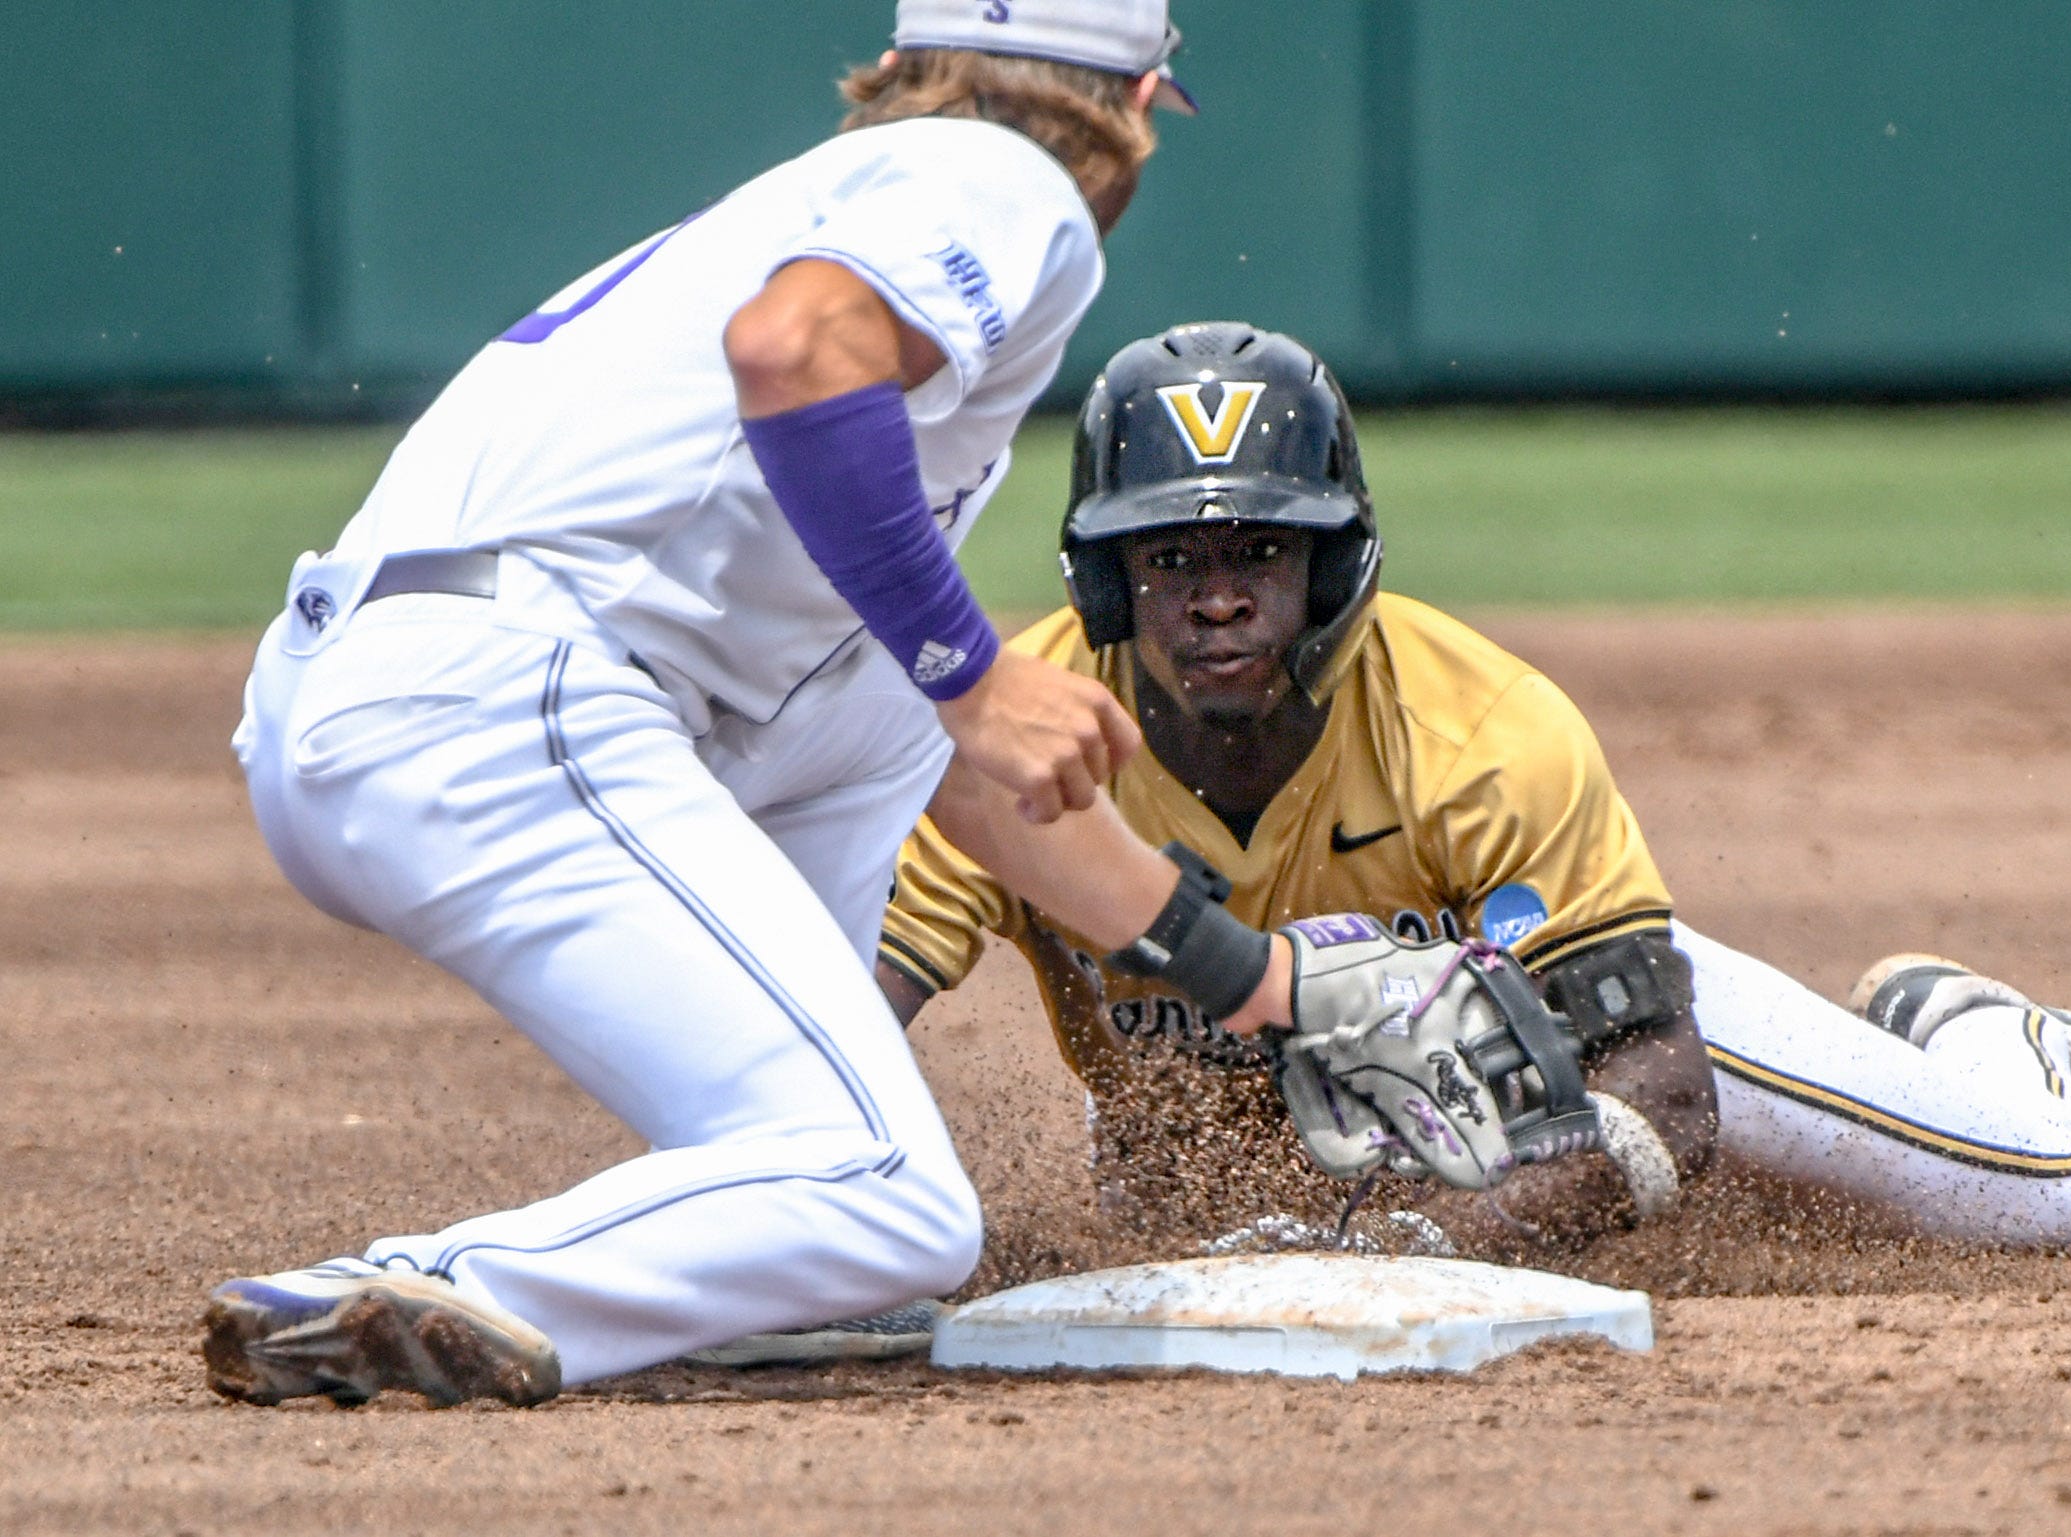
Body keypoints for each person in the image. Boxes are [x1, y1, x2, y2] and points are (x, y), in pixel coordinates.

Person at [198, 4, 1398, 1410]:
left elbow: (948, 754)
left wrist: (1248, 979)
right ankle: (442, 1281)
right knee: (900, 1200)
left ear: (898, 67)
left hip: (414, 693)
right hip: (504, 698)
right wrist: (975, 664)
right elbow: (795, 351)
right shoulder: (1007, 179)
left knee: (862, 1219)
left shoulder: (846, 195)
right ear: (1136, 102)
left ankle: (769, 1249)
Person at [708, 319, 2071, 1362]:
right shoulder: (1019, 738)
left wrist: (1402, 1245)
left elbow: (1666, 1090)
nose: (1218, 593)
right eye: (1170, 555)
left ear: (1336, 565)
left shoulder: (1480, 725)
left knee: (2049, 1199)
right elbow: (840, 1016)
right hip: (1327, 1131)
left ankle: (1978, 1033)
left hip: (1611, 1031)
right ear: (1107, 587)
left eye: (1262, 550)